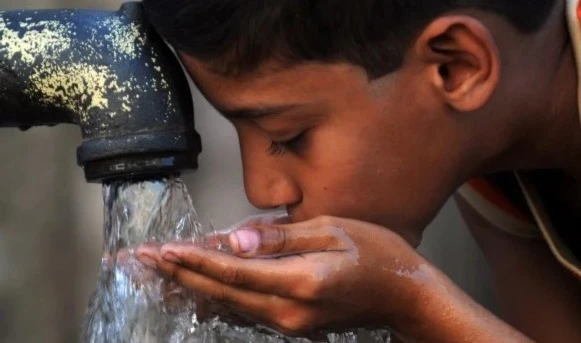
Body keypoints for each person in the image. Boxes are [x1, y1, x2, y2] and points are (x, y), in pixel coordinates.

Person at [135, 0, 581, 342]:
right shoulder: (491, 161)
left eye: (289, 136)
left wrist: (412, 300)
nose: (261, 189)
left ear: (457, 67)